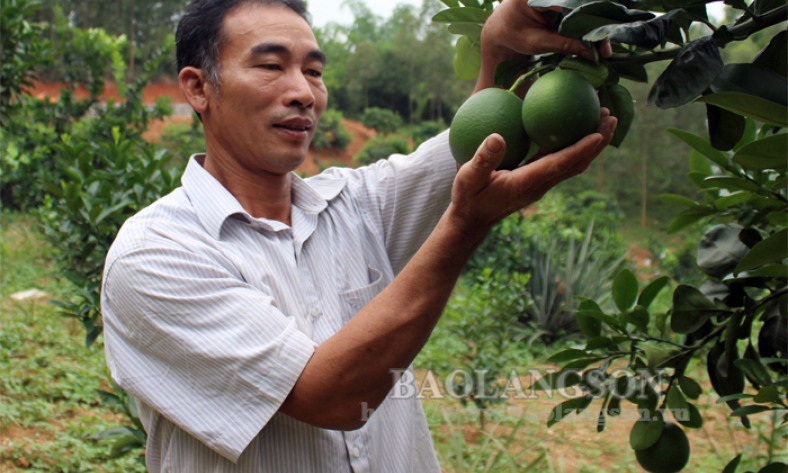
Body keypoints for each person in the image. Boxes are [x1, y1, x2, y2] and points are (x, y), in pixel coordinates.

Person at [100, 0, 617, 471]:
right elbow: (334, 396)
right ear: (198, 87)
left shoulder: (356, 205)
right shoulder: (155, 253)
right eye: (270, 66)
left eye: (314, 71)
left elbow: (477, 145)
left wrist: (501, 53)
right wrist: (465, 227)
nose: (303, 92)